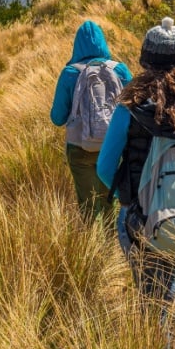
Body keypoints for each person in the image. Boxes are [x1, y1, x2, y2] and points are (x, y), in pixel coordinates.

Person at [96, 16, 175, 309]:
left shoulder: (130, 110)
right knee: (166, 283)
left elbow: (104, 169)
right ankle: (169, 347)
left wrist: (130, 197)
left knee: (153, 295)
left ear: (145, 60)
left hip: (139, 218)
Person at [50, 20, 132, 229]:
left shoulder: (70, 73)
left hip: (79, 148)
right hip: (112, 148)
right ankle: (110, 250)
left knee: (86, 204)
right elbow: (134, 111)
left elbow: (57, 118)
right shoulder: (120, 71)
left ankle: (87, 249)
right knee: (109, 203)